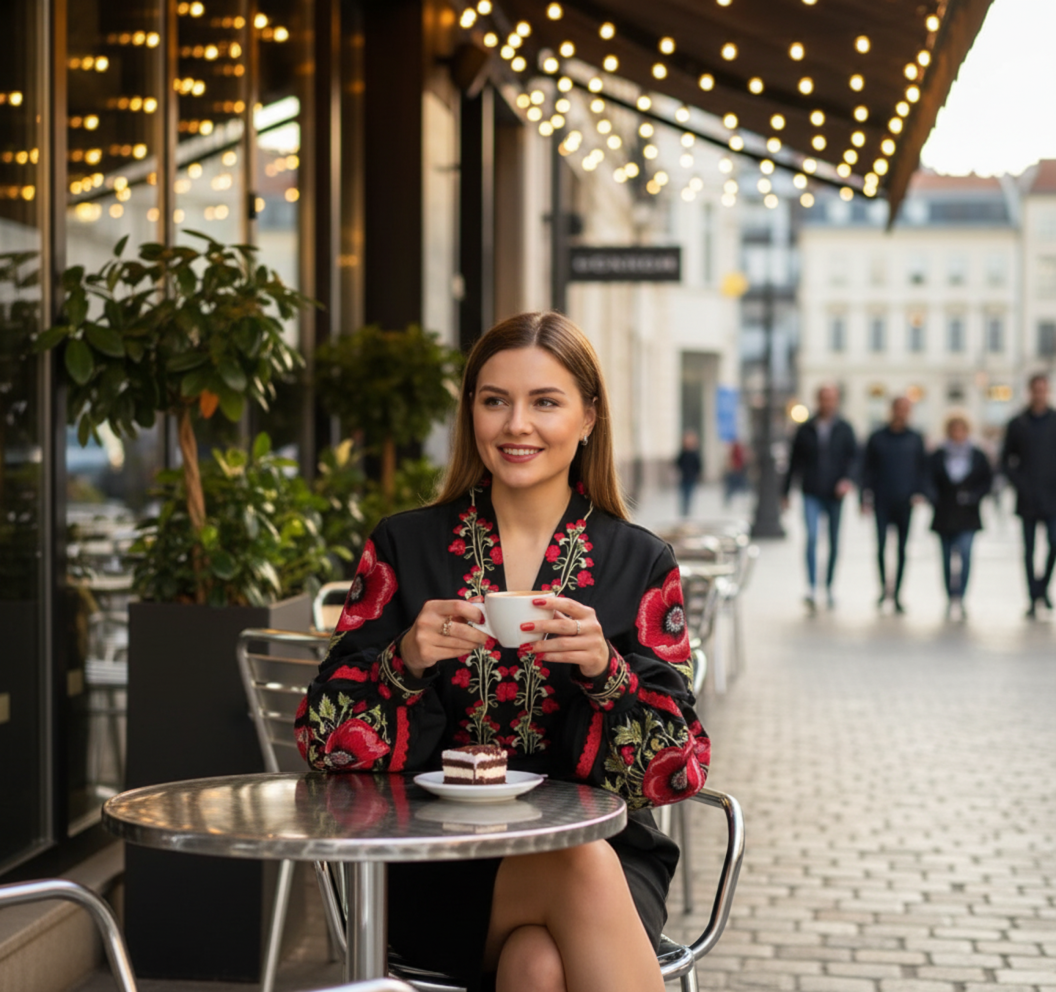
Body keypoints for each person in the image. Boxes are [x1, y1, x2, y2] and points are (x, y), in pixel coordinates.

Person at [295, 312, 709, 992]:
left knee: (537, 964)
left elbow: (678, 768)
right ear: (472, 414)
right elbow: (321, 744)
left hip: (608, 855)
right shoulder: (404, 545)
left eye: (545, 402)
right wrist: (403, 662)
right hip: (432, 861)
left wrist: (608, 673)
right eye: (495, 401)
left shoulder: (639, 561)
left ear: (589, 418)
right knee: (575, 869)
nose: (517, 425)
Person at [781, 384, 858, 612]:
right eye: (824, 398)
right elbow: (794, 461)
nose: (828, 403)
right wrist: (785, 492)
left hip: (835, 494)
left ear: (837, 401)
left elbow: (855, 458)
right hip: (811, 491)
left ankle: (829, 586)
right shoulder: (805, 428)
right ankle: (812, 587)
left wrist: (848, 480)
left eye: (831, 399)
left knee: (834, 541)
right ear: (818, 400)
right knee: (813, 537)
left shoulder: (845, 428)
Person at [860, 396, 928, 613]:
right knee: (880, 547)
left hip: (905, 500)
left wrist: (920, 492)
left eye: (906, 409)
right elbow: (867, 469)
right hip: (882, 499)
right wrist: (865, 497)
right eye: (898, 408)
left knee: (902, 549)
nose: (901, 413)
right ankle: (883, 589)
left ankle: (898, 593)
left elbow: (922, 469)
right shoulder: (877, 437)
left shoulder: (915, 438)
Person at [927, 413, 993, 621]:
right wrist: (934, 498)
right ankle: (949, 596)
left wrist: (975, 496)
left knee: (965, 555)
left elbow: (987, 480)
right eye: (953, 429)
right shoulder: (938, 454)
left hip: (968, 514)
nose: (957, 434)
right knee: (946, 559)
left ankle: (961, 596)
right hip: (944, 513)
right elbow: (927, 479)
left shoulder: (977, 454)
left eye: (961, 429)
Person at [1001, 373, 1056, 618]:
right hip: (1027, 496)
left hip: (1053, 496)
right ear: (1030, 391)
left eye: (1043, 390)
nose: (1040, 394)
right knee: (1029, 549)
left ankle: (1042, 587)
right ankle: (1032, 597)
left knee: (1054, 543)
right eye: (1036, 390)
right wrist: (1019, 483)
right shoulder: (1018, 423)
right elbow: (1006, 460)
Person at [675, 430, 702, 518]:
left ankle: (687, 510)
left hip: (691, 477)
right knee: (683, 493)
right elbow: (678, 462)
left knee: (689, 493)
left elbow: (698, 465)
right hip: (684, 477)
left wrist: (698, 474)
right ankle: (684, 510)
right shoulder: (683, 452)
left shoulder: (694, 453)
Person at [723, 438, 749, 505]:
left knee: (741, 486)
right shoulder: (735, 450)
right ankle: (728, 499)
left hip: (739, 470)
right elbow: (732, 460)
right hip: (736, 470)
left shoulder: (740, 450)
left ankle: (744, 500)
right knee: (733, 486)